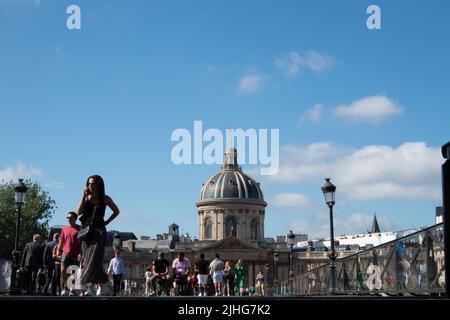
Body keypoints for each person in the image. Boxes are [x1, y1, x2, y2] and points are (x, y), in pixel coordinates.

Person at [76, 175, 120, 296]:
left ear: (99, 185)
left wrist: (107, 222)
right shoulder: (87, 198)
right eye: (89, 184)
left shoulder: (105, 199)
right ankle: (102, 283)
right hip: (85, 233)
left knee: (95, 259)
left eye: (93, 183)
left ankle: (92, 286)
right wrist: (83, 196)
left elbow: (116, 211)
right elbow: (78, 212)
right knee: (87, 259)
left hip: (99, 231)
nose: (91, 186)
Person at [58, 212, 81, 296]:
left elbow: (82, 242)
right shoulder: (64, 229)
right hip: (65, 252)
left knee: (73, 273)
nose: (69, 219)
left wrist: (81, 253)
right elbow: (61, 241)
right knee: (63, 270)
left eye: (70, 217)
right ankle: (66, 287)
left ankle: (71, 289)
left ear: (75, 218)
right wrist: (58, 251)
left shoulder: (80, 228)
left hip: (76, 253)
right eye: (67, 217)